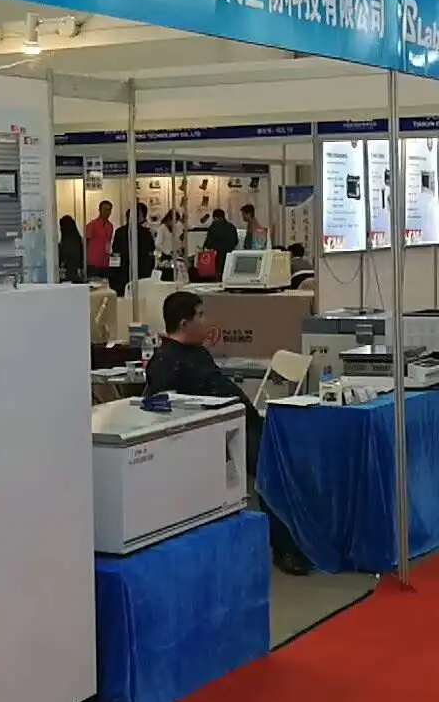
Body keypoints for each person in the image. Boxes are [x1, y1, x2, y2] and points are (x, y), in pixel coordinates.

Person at [144, 290, 312, 576]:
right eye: (200, 315)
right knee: (270, 469)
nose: (206, 321)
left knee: (289, 458)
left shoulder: (197, 353)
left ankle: (301, 539)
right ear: (184, 323)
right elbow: (167, 408)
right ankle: (286, 548)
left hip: (240, 422)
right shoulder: (166, 361)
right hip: (213, 433)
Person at [111, 204, 156, 296]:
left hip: (122, 270)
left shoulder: (119, 232)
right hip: (142, 270)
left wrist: (113, 270)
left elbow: (115, 252)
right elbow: (151, 251)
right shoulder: (146, 233)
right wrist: (150, 267)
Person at [202, 208, 240, 278]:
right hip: (229, 257)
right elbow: (236, 242)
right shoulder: (232, 227)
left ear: (215, 218)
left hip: (217, 257)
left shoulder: (213, 226)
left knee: (217, 276)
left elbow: (209, 244)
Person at [84, 200, 115, 282]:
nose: (107, 212)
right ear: (100, 210)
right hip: (93, 263)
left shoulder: (110, 226)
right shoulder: (92, 224)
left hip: (105, 262)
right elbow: (85, 242)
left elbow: (108, 243)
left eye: (109, 210)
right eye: (105, 209)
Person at [56, 215, 86, 284]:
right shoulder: (77, 239)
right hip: (77, 273)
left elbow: (62, 256)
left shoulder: (66, 241)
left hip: (68, 274)